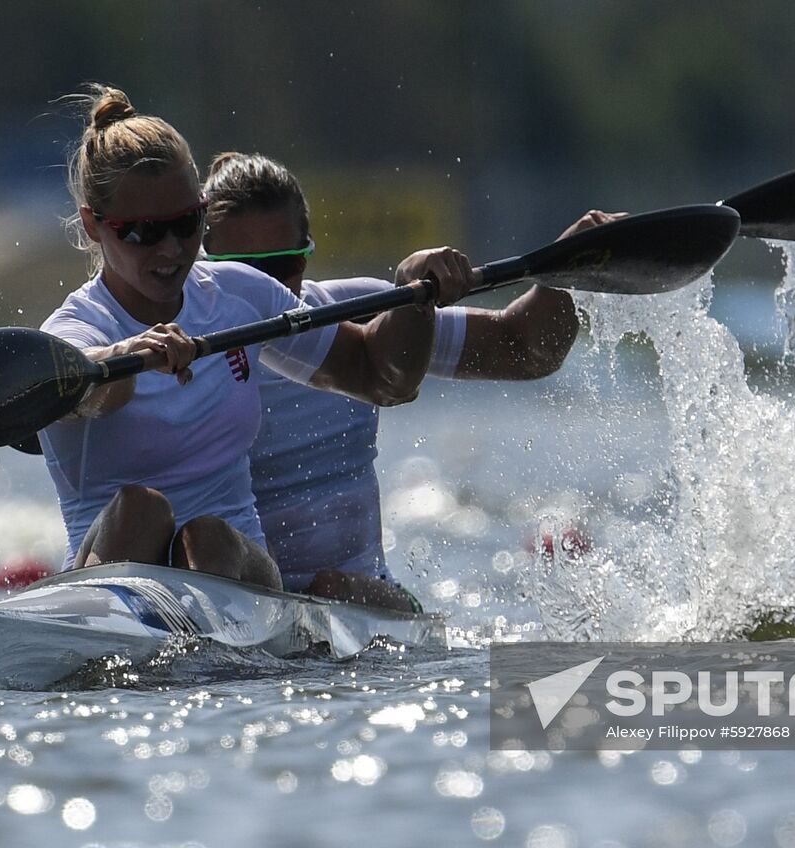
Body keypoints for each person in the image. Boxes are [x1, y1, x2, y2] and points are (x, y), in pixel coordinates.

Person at [37, 86, 476, 593]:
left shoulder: (238, 294)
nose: (173, 249)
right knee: (140, 507)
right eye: (142, 233)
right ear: (94, 225)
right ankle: (123, 636)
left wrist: (414, 293)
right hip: (113, 575)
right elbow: (83, 386)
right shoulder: (76, 330)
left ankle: (196, 648)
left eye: (187, 223)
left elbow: (382, 379)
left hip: (241, 574)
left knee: (206, 538)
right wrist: (123, 358)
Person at [202, 151, 621, 611]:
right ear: (201, 261)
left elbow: (525, 349)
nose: (265, 288)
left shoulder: (358, 311)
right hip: (237, 595)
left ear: (308, 252)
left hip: (361, 598)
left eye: (283, 266)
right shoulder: (173, 347)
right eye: (238, 270)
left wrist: (573, 263)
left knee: (329, 590)